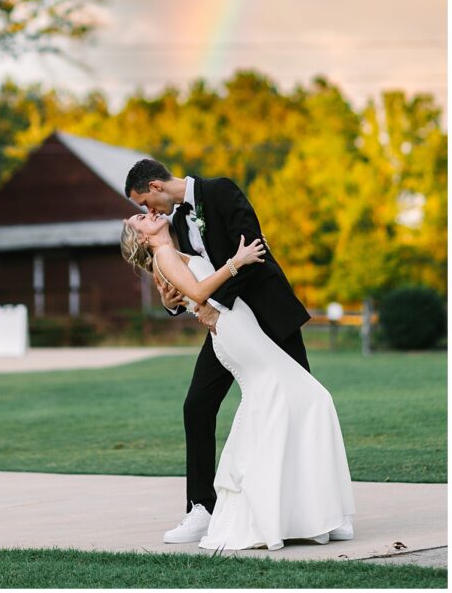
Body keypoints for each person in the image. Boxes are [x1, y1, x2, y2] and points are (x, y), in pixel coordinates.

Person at [124, 158, 354, 545]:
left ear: (156, 187)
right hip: (229, 326)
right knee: (196, 406)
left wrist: (213, 304)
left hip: (265, 313)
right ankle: (201, 507)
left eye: (144, 202)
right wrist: (175, 302)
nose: (148, 211)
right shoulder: (176, 223)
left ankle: (322, 512)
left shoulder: (221, 191)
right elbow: (184, 275)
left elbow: (254, 251)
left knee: (301, 402)